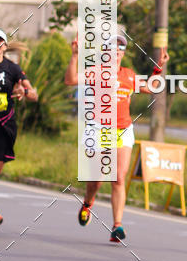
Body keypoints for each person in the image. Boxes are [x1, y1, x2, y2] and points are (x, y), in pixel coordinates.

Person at [64, 32, 169, 243]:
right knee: (97, 180)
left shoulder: (128, 75)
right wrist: (75, 56)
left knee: (119, 177)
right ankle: (87, 202)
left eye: (120, 49)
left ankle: (117, 226)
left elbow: (149, 87)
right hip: (98, 130)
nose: (116, 53)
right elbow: (71, 80)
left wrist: (159, 68)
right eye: (112, 49)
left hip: (122, 130)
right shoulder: (96, 72)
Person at [0, 27, 38, 233]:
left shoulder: (13, 69)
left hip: (4, 127)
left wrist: (24, 90)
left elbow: (34, 94)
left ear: (4, 45)